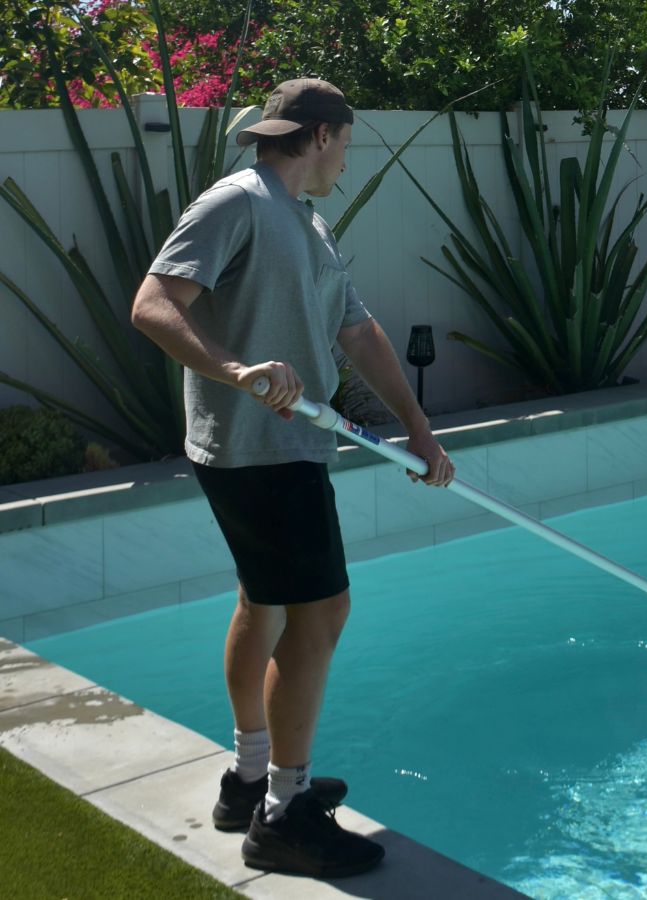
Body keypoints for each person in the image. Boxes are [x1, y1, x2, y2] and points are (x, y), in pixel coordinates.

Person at [130, 77, 454, 879]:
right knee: (322, 613)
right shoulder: (237, 203)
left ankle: (249, 780)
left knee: (265, 603)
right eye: (346, 144)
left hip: (282, 448)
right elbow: (153, 304)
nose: (346, 160)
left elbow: (358, 330)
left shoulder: (306, 220)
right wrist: (237, 370)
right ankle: (284, 814)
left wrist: (416, 427)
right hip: (260, 449)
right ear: (320, 135)